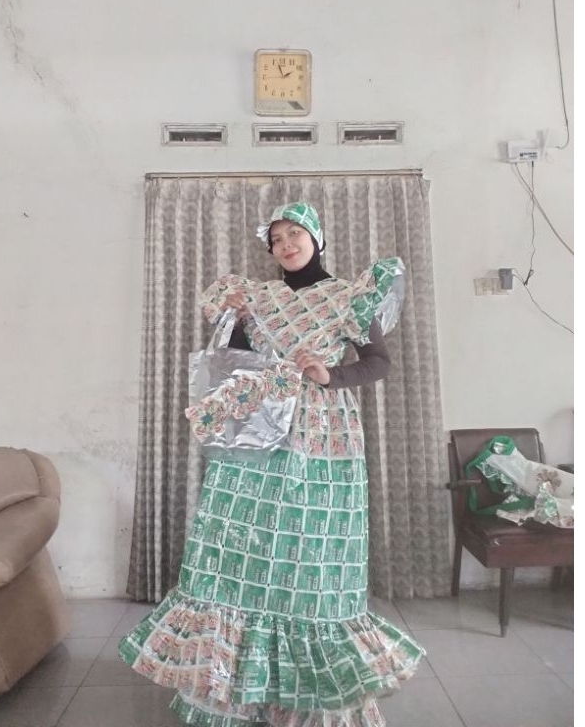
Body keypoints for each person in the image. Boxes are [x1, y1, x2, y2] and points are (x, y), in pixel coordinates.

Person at [120, 202, 426, 727]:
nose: (286, 245)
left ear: (317, 238)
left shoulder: (348, 296)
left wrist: (331, 375)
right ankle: (236, 690)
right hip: (256, 431)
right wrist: (235, 319)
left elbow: (379, 363)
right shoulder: (256, 296)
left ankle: (308, 700)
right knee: (239, 548)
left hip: (323, 438)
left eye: (295, 234)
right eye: (277, 239)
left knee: (311, 559)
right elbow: (237, 362)